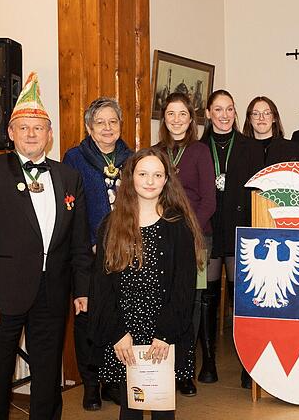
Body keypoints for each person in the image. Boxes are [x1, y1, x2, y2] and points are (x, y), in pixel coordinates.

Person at [0, 72, 92, 419]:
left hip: (52, 295)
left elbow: (79, 239)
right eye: (24, 127)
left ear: (50, 135)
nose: (31, 134)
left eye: (38, 127)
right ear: (10, 133)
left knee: (49, 380)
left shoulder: (68, 177)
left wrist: (82, 288)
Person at [88, 147, 203, 420]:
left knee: (163, 407)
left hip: (163, 332)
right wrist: (117, 332)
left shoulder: (178, 225)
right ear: (131, 177)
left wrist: (166, 333)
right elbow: (102, 286)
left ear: (166, 180)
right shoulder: (111, 224)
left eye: (157, 175)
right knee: (130, 407)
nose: (150, 181)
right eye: (143, 174)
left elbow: (183, 287)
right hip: (125, 331)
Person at [63, 96, 133, 409]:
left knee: (121, 316)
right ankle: (91, 385)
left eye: (113, 121)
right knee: (88, 318)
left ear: (120, 125)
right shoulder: (75, 158)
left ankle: (115, 382)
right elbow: (69, 210)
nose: (107, 128)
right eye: (100, 122)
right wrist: (89, 242)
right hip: (88, 255)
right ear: (90, 127)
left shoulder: (132, 159)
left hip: (126, 254)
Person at [198, 90, 264, 388]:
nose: (224, 115)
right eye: (218, 110)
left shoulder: (250, 147)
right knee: (206, 298)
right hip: (206, 232)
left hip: (240, 232)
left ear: (235, 113)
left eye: (229, 109)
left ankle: (247, 365)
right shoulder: (197, 147)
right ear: (208, 114)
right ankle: (209, 361)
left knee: (243, 300)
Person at [153, 92, 216, 396]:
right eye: (170, 114)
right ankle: (160, 366)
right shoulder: (153, 152)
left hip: (196, 236)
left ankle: (183, 371)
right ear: (163, 119)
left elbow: (209, 200)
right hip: (160, 237)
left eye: (182, 114)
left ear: (192, 119)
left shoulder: (200, 151)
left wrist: (189, 232)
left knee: (189, 302)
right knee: (161, 301)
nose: (177, 120)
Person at [242, 96, 299, 166]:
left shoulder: (292, 149)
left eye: (266, 113)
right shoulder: (240, 151)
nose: (261, 118)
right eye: (255, 114)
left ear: (274, 118)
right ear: (249, 119)